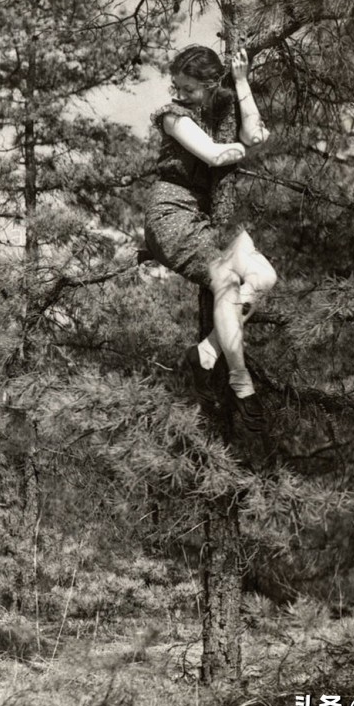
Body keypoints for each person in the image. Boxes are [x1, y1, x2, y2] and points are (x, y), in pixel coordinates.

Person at [143, 46, 277, 431]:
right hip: (171, 215)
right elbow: (216, 155)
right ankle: (241, 383)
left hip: (207, 220)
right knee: (226, 280)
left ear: (210, 84)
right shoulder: (172, 116)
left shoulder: (222, 108)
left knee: (264, 277)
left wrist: (241, 82)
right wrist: (249, 147)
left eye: (189, 89)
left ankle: (205, 353)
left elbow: (253, 131)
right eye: (177, 87)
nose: (180, 94)